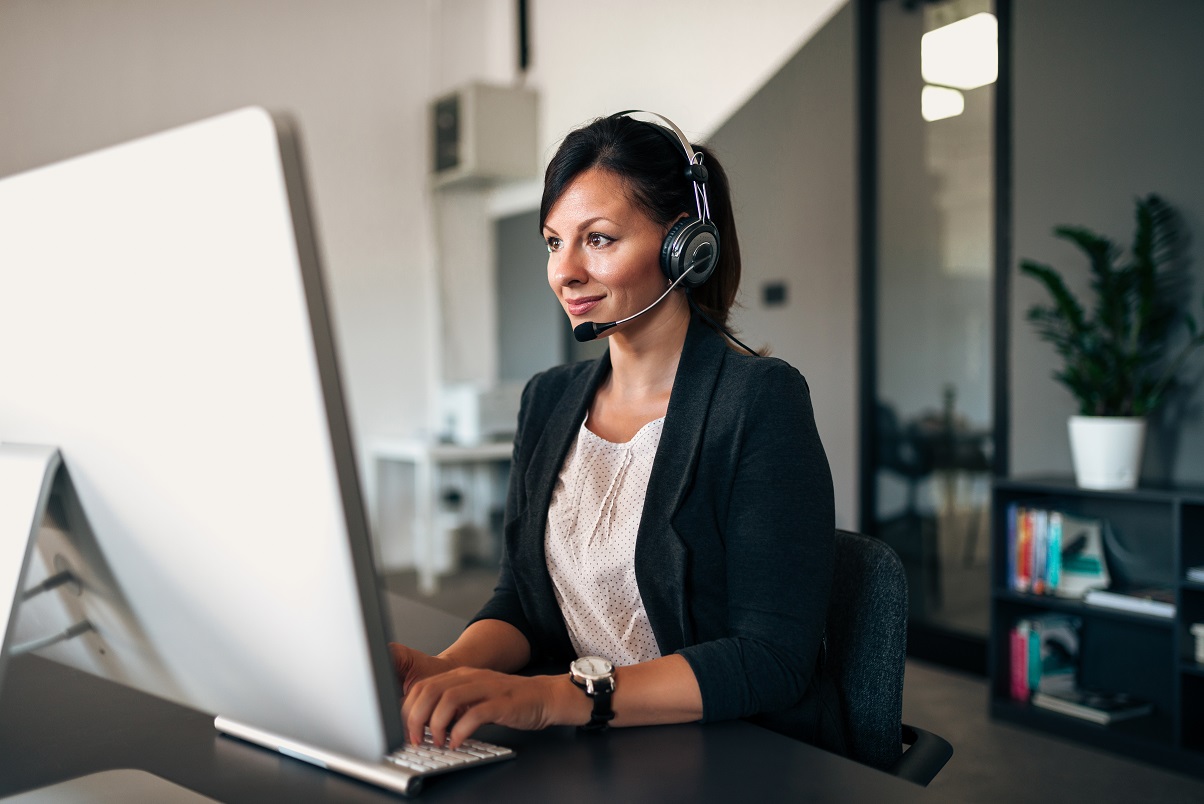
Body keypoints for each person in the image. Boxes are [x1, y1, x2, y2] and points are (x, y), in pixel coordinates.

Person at [390, 111, 842, 755]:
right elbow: (524, 598)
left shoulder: (759, 401)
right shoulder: (548, 400)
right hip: (594, 742)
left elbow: (771, 657)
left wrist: (551, 699)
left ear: (684, 245)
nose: (564, 271)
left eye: (597, 239)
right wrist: (446, 666)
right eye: (553, 242)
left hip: (724, 747)